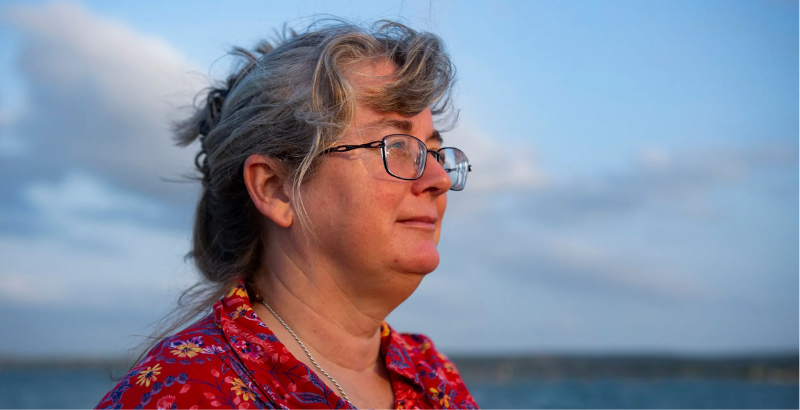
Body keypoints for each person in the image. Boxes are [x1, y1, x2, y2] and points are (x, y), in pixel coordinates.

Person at [96, 19, 475, 410]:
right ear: (274, 188)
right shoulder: (187, 393)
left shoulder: (432, 376)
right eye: (396, 146)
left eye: (432, 151)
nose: (438, 179)